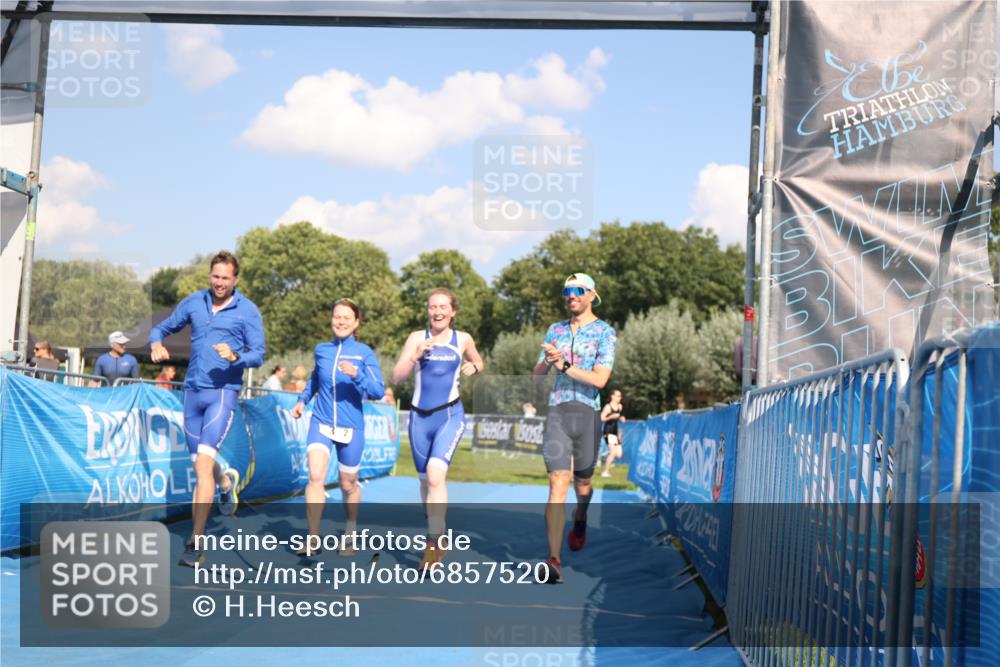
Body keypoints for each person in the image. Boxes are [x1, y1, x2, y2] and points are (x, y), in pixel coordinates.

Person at [149, 250, 265, 567]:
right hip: (193, 394)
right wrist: (156, 343)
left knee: (202, 467)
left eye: (226, 278)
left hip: (223, 394)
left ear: (235, 280)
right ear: (210, 275)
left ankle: (195, 543)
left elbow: (259, 353)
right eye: (215, 276)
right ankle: (226, 483)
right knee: (203, 466)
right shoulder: (194, 302)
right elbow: (161, 328)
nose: (219, 283)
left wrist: (236, 357)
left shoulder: (247, 311)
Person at [532, 273, 616, 583]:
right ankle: (553, 560)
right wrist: (548, 360)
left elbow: (600, 379)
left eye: (579, 291)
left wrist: (565, 365)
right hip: (558, 411)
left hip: (587, 414)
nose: (572, 296)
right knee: (557, 482)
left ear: (592, 295)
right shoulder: (555, 330)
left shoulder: (605, 333)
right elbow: (537, 376)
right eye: (567, 291)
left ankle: (580, 517)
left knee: (583, 484)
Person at [392, 288, 484, 570]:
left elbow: (478, 360)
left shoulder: (463, 338)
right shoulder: (416, 339)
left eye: (443, 307)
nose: (438, 312)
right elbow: (397, 377)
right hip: (419, 420)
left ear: (453, 311)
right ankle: (439, 533)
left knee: (434, 476)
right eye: (433, 307)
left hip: (449, 416)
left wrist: (475, 367)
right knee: (426, 483)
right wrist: (415, 356)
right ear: (428, 310)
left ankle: (432, 546)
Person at [291, 299, 384, 557]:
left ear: (356, 323)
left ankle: (351, 532)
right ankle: (312, 539)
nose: (340, 321)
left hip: (351, 427)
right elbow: (314, 379)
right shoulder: (322, 350)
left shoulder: (364, 353)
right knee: (316, 477)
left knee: (347, 485)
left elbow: (377, 391)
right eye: (336, 317)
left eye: (346, 318)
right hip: (320, 421)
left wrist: (357, 374)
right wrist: (302, 401)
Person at [600, 389, 626, 478]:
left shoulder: (620, 407)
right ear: (612, 396)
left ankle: (607, 457)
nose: (620, 398)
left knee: (619, 454)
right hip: (608, 431)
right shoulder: (608, 407)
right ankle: (605, 472)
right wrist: (611, 417)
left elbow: (618, 417)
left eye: (620, 396)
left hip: (615, 432)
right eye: (618, 396)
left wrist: (621, 418)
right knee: (613, 452)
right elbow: (602, 418)